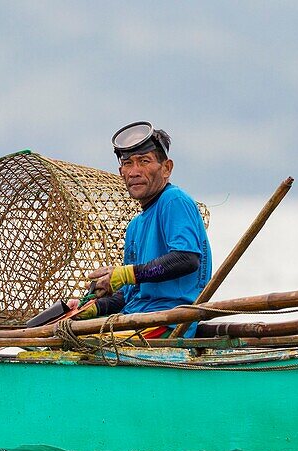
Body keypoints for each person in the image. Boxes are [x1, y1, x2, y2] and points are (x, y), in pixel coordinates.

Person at [71, 121, 211, 336]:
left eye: (144, 161)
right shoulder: (135, 226)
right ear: (121, 172)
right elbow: (132, 292)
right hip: (134, 316)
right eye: (128, 164)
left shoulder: (173, 200)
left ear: (166, 168)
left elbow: (187, 259)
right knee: (64, 330)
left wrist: (127, 273)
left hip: (168, 321)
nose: (134, 171)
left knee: (80, 345)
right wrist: (95, 307)